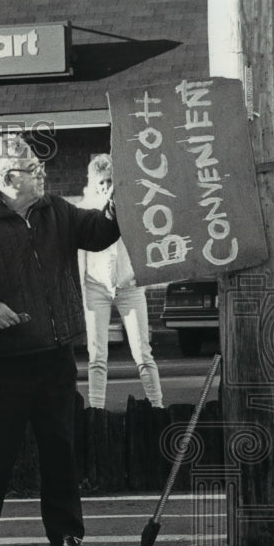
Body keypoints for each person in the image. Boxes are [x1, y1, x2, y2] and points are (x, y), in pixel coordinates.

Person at [0, 134, 121, 546]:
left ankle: (67, 536)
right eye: (32, 168)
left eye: (40, 167)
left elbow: (101, 231)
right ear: (6, 177)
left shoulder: (56, 210)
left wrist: (119, 196)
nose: (42, 173)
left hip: (54, 354)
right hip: (0, 361)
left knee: (60, 448)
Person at [78, 154, 164, 410]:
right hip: (95, 286)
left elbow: (146, 246)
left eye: (110, 181)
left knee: (143, 351)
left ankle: (157, 405)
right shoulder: (84, 210)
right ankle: (95, 410)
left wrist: (143, 280)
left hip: (129, 285)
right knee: (96, 355)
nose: (105, 186)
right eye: (101, 182)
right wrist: (82, 290)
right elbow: (79, 256)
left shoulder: (133, 208)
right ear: (93, 182)